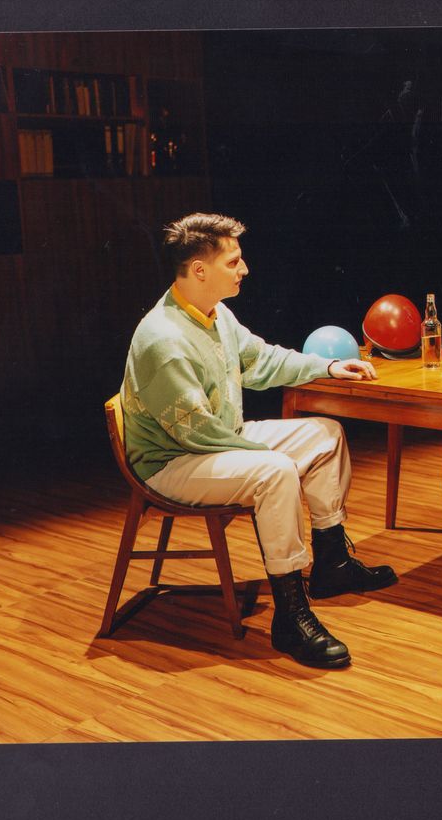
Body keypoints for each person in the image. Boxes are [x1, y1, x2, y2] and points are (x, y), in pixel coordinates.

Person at [120, 212, 398, 670]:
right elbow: (195, 432)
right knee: (276, 471)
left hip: (216, 441)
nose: (244, 269)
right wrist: (270, 455)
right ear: (199, 270)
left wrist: (326, 367)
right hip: (172, 461)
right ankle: (290, 615)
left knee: (324, 435)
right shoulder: (163, 339)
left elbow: (261, 360)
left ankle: (331, 564)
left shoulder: (216, 315)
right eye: (233, 262)